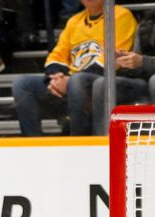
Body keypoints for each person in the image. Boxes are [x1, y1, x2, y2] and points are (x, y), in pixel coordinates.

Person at [12, 0, 136, 136]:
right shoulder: (74, 21)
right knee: (22, 84)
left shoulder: (121, 15)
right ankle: (33, 144)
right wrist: (57, 76)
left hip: (103, 85)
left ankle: (78, 142)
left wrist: (69, 81)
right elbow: (57, 55)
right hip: (71, 83)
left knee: (78, 81)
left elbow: (114, 56)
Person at [90, 10, 155, 135]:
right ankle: (101, 141)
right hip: (144, 81)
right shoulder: (147, 23)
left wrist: (143, 61)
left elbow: (142, 61)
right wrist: (124, 60)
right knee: (102, 84)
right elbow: (138, 64)